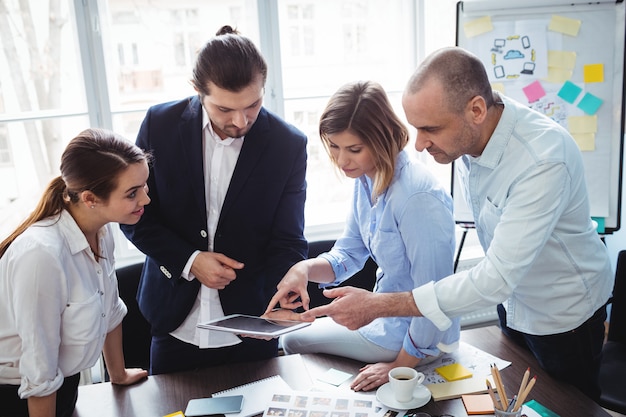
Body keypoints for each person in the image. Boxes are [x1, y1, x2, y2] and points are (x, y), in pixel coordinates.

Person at [299, 47, 613, 400]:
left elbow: (494, 279)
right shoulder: (472, 135)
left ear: (476, 110)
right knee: (517, 401)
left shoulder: (542, 160)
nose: (418, 145)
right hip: (512, 306)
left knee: (568, 406)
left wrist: (379, 305)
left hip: (563, 317)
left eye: (430, 129)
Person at [120, 25, 308, 375]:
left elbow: (288, 238)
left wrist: (286, 290)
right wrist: (191, 260)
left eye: (253, 104)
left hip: (254, 326)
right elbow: (134, 216)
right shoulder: (159, 124)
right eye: (225, 109)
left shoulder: (289, 144)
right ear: (198, 92)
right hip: (173, 321)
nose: (241, 120)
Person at [265, 81, 460, 392]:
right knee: (290, 336)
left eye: (354, 149)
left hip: (418, 337)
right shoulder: (367, 179)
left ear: (381, 140)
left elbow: (434, 300)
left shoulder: (417, 198)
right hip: (386, 322)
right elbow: (348, 254)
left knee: (292, 339)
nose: (342, 161)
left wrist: (399, 366)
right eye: (333, 146)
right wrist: (302, 270)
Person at [0, 128, 150, 417]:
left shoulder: (101, 230)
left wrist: (117, 374)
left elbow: (110, 310)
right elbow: (39, 364)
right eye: (132, 193)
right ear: (90, 198)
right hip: (20, 398)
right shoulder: (41, 254)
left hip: (65, 387)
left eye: (144, 186)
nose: (145, 200)